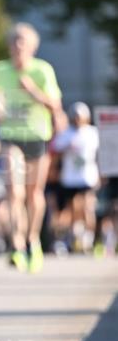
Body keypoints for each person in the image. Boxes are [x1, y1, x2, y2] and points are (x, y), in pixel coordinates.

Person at [0, 23, 62, 273]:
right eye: (14, 41)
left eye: (22, 42)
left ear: (32, 46)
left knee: (34, 194)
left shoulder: (43, 70)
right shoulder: (0, 69)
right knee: (14, 191)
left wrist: (33, 91)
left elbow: (55, 105)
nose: (17, 46)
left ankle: (33, 240)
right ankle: (17, 245)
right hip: (11, 136)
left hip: (37, 135)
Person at [51, 102, 100, 254]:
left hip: (87, 177)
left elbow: (101, 154)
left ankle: (89, 238)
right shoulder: (65, 134)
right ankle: (74, 236)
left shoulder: (92, 133)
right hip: (70, 179)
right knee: (72, 208)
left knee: (87, 207)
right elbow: (54, 152)